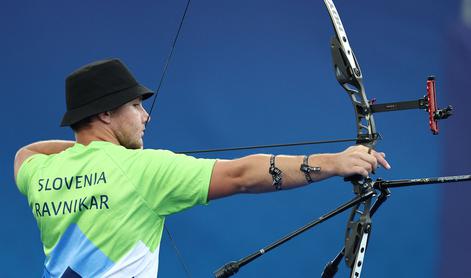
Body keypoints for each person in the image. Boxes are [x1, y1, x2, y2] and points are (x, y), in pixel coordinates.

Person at [13, 58, 390, 278]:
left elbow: (24, 152)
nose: (145, 116)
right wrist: (334, 162)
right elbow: (242, 175)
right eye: (135, 106)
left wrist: (86, 150)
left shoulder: (40, 174)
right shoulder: (141, 170)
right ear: (106, 112)